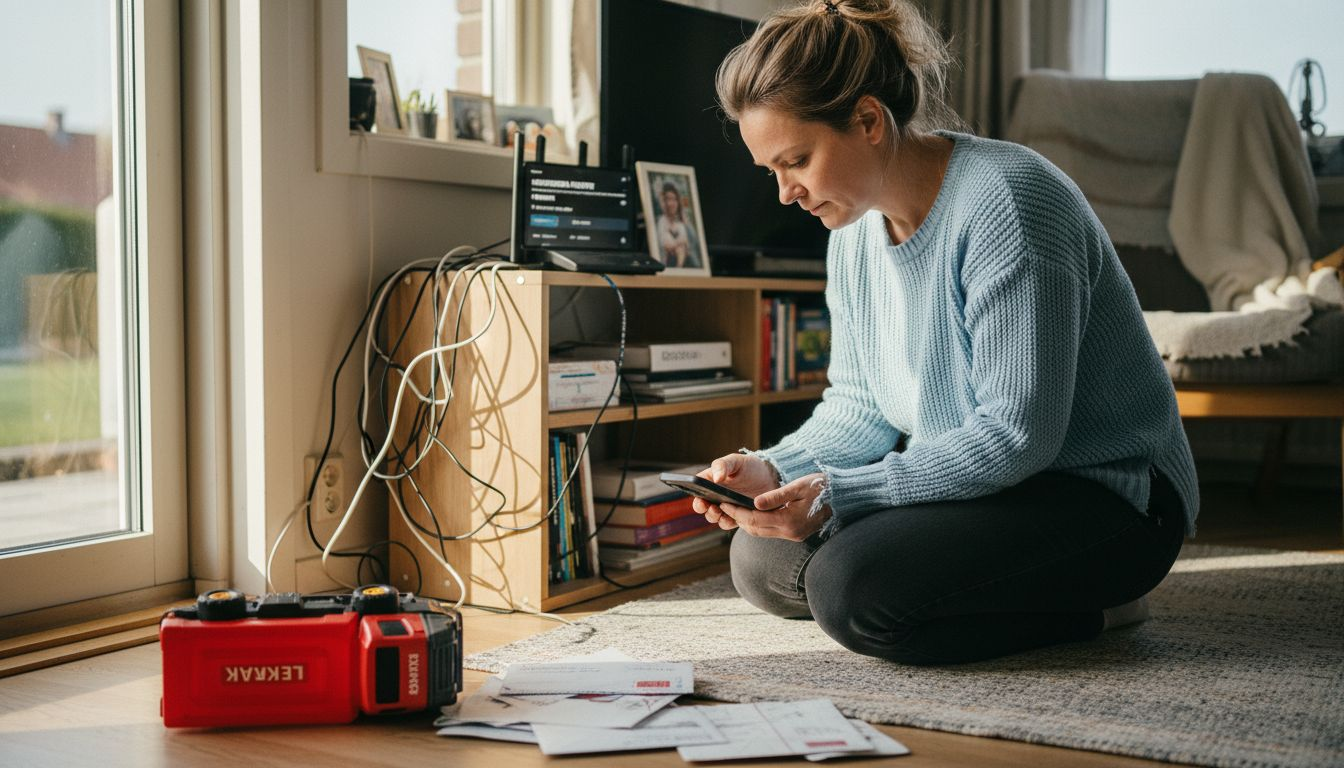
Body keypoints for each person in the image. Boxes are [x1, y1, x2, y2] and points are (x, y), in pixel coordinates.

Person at [696, 0, 1199, 666]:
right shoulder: (852, 234)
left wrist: (842, 495)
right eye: (772, 171)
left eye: (797, 161)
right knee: (760, 558)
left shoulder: (1010, 203)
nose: (785, 192)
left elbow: (1015, 437)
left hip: (1104, 498)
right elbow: (859, 410)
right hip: (994, 485)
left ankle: (1100, 605)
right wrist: (774, 470)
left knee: (852, 591)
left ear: (869, 121)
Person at [655, 181, 699, 267]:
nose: (671, 203)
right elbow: (666, 244)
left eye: (674, 199)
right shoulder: (661, 221)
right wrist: (679, 244)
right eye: (668, 199)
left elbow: (690, 243)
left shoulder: (681, 224)